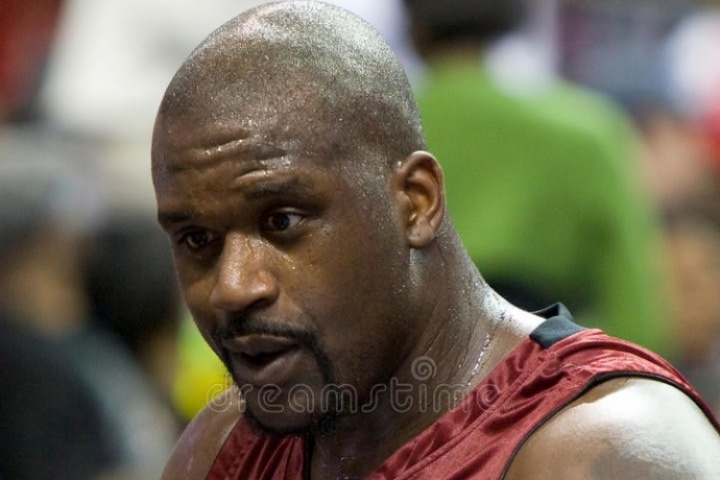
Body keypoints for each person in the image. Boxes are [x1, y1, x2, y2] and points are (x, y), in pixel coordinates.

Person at [151, 2, 720, 479]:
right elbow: (641, 312)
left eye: (282, 222)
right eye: (197, 239)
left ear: (417, 201)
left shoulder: (604, 449)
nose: (233, 288)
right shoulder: (221, 448)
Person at [403, 0, 672, 355]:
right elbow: (638, 320)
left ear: (414, 29)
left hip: (408, 377)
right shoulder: (588, 131)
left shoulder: (380, 132)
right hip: (551, 370)